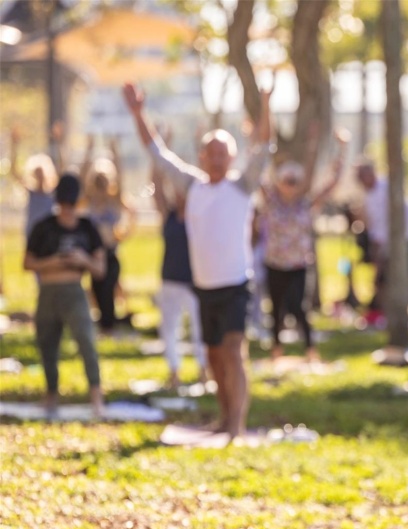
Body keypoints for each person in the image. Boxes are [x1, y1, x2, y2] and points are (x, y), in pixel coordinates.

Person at [123, 82, 271, 438]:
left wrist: (266, 105)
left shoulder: (241, 186)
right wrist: (138, 113)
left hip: (236, 284)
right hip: (204, 287)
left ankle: (237, 424)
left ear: (232, 158)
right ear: (201, 156)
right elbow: (156, 152)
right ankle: (223, 418)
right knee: (215, 356)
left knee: (234, 352)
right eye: (211, 153)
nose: (217, 159)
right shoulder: (192, 186)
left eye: (224, 153)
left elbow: (264, 146)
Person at [23, 174, 107, 418]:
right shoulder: (44, 227)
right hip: (48, 291)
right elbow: (28, 262)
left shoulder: (87, 228)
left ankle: (96, 396)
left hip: (75, 292)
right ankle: (51, 395)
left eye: (71, 204)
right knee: (47, 345)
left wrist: (83, 260)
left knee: (86, 341)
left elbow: (100, 269)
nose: (68, 210)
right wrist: (53, 262)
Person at [263, 129, 349, 363]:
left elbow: (331, 183)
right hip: (275, 263)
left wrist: (341, 150)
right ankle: (276, 352)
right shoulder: (271, 203)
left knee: (300, 308)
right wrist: (257, 139)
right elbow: (257, 174)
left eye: (295, 181)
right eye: (287, 181)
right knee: (276, 310)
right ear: (279, 182)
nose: (291, 185)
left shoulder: (306, 205)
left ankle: (311, 351)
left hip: (299, 264)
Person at [149, 129, 208, 389]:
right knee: (169, 330)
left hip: (194, 282)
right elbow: (157, 185)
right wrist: (163, 150)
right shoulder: (169, 215)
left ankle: (204, 371)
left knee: (199, 331)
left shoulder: (200, 215)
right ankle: (174, 371)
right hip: (170, 281)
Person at [355, 160, 408, 325]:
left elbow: (384, 224)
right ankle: (390, 314)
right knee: (387, 279)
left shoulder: (385, 188)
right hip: (393, 241)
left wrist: (377, 248)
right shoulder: (370, 195)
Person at [82, 139, 136, 334]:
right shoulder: (90, 199)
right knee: (97, 288)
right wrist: (88, 154)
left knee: (110, 288)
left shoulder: (115, 200)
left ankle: (108, 324)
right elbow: (82, 178)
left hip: (111, 253)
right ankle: (105, 323)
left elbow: (120, 180)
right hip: (95, 254)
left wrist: (116, 154)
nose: (102, 184)